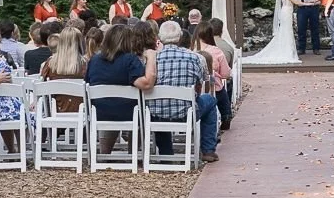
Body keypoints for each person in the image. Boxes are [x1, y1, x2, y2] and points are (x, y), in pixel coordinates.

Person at [151, 20, 220, 162]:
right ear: (180, 36)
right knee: (210, 100)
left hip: (156, 113)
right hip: (187, 112)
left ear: (159, 37)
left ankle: (166, 154)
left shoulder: (152, 59)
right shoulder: (195, 58)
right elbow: (201, 84)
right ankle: (208, 150)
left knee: (159, 106)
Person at [86, 23, 156, 154]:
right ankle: (134, 153)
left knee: (109, 103)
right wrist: (151, 58)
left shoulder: (94, 60)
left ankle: (104, 153)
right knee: (139, 108)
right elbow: (146, 84)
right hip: (129, 113)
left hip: (99, 112)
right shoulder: (130, 60)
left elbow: (88, 84)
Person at [193, 22, 233, 130]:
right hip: (212, 88)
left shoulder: (190, 50)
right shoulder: (216, 51)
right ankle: (226, 116)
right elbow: (226, 74)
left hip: (193, 90)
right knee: (221, 88)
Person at [40, 24, 88, 112]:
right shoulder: (85, 64)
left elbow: (41, 87)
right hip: (82, 111)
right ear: (79, 43)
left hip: (56, 111)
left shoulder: (50, 64)